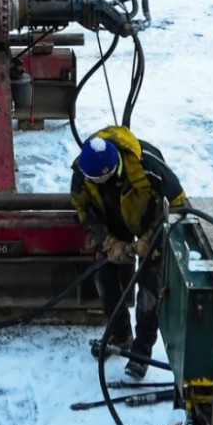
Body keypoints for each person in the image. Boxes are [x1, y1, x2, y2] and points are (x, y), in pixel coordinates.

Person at [70, 126, 186, 379]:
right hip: (112, 221)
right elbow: (83, 210)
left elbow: (180, 206)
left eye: (103, 179)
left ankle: (141, 353)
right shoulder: (82, 173)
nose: (98, 183)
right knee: (104, 273)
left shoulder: (149, 167)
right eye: (94, 181)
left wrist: (150, 240)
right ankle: (120, 334)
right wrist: (109, 243)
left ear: (115, 168)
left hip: (148, 221)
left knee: (150, 288)